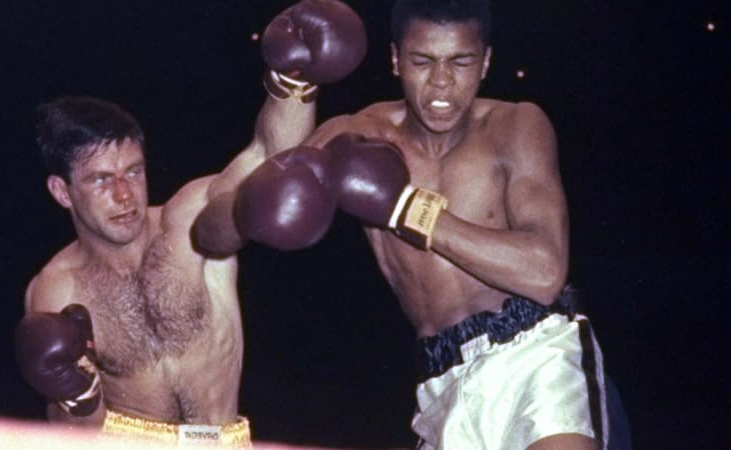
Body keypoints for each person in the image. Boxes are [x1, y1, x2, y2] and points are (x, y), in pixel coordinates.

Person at [204, 0, 611, 448]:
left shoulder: (517, 125)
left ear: (486, 62)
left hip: (537, 354)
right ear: (396, 59)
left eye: (461, 62)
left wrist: (404, 208)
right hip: (438, 379)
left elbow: (544, 273)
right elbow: (214, 230)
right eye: (422, 61)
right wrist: (289, 89)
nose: (442, 83)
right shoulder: (359, 135)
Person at [14, 1, 366, 447]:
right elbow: (74, 433)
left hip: (224, 437)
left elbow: (267, 158)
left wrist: (292, 82)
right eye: (102, 180)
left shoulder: (186, 225)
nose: (125, 195)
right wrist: (79, 397)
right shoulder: (56, 289)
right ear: (62, 192)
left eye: (134, 172)